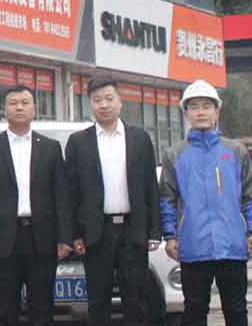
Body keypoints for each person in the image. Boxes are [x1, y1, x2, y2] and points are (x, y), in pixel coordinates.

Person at [159, 80, 252, 326]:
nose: (201, 112)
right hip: (193, 245)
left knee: (236, 310)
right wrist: (170, 236)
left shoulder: (235, 151)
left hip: (232, 244)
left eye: (206, 106)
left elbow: (250, 195)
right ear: (186, 113)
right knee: (194, 310)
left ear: (217, 111)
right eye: (194, 107)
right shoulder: (175, 154)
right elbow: (167, 199)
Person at [66, 78, 162, 326]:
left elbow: (151, 187)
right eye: (97, 100)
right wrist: (74, 234)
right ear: (90, 104)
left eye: (109, 99)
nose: (104, 105)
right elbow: (71, 193)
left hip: (133, 231)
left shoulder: (140, 139)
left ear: (120, 102)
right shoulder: (78, 142)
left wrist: (154, 231)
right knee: (98, 302)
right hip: (97, 233)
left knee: (136, 300)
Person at [0, 84, 71, 326]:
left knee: (42, 308)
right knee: (5, 309)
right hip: (3, 241)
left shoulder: (50, 148)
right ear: (4, 109)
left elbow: (61, 196)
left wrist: (64, 237)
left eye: (25, 102)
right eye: (13, 103)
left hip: (42, 239)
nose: (19, 107)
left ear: (34, 109)